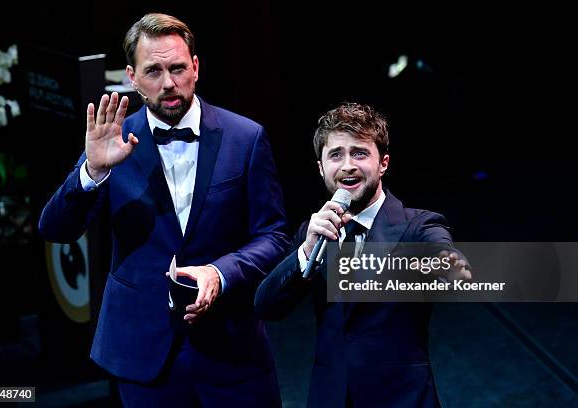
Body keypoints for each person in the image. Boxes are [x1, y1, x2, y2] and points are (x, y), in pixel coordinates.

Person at [39, 13, 289, 407]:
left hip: (231, 351)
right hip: (142, 352)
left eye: (176, 68)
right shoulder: (112, 143)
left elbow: (274, 236)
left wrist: (219, 273)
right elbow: (55, 228)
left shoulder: (246, 137)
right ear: (132, 77)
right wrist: (92, 172)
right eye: (153, 71)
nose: (168, 83)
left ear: (196, 67)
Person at [254, 102, 471, 407]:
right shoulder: (313, 232)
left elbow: (443, 256)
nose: (347, 166)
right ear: (321, 168)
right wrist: (305, 251)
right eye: (336, 155)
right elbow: (267, 306)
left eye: (359, 153)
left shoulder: (417, 226)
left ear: (383, 163)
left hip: (401, 400)